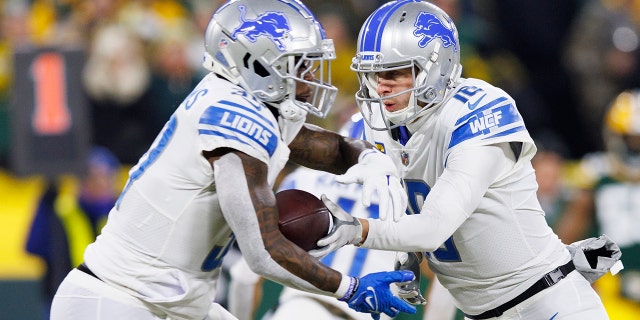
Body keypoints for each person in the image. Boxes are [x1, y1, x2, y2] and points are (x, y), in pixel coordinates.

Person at [49, 1, 416, 320]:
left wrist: (370, 157)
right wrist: (349, 287)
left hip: (164, 302)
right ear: (255, 64)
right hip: (119, 300)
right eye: (299, 65)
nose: (308, 79)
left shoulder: (242, 100)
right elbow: (263, 251)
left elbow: (324, 147)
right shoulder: (236, 120)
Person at [309, 1, 618, 319]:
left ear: (435, 67)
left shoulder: (478, 110)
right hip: (481, 311)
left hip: (545, 303)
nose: (380, 86)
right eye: (373, 74)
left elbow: (433, 228)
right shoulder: (388, 122)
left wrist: (354, 229)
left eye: (393, 72)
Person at [227, 114, 458, 320]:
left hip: (298, 310)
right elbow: (446, 281)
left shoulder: (303, 180)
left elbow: (244, 277)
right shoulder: (418, 196)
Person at [555, 90, 640, 320]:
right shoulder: (594, 175)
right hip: (613, 285)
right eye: (632, 141)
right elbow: (565, 243)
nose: (637, 147)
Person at [25, 146, 121, 319]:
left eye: (105, 177)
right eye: (92, 177)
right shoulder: (60, 211)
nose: (99, 183)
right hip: (66, 306)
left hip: (110, 307)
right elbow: (33, 246)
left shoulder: (121, 215)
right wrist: (47, 196)